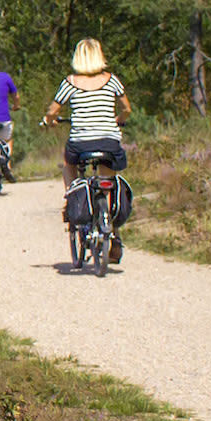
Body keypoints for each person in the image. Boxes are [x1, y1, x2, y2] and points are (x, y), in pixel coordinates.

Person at [40, 37, 132, 260]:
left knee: (68, 164)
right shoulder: (112, 81)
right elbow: (127, 109)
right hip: (109, 142)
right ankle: (112, 231)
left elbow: (53, 111)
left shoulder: (70, 82)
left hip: (81, 142)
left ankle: (72, 199)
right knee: (107, 181)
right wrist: (118, 119)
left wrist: (49, 121)